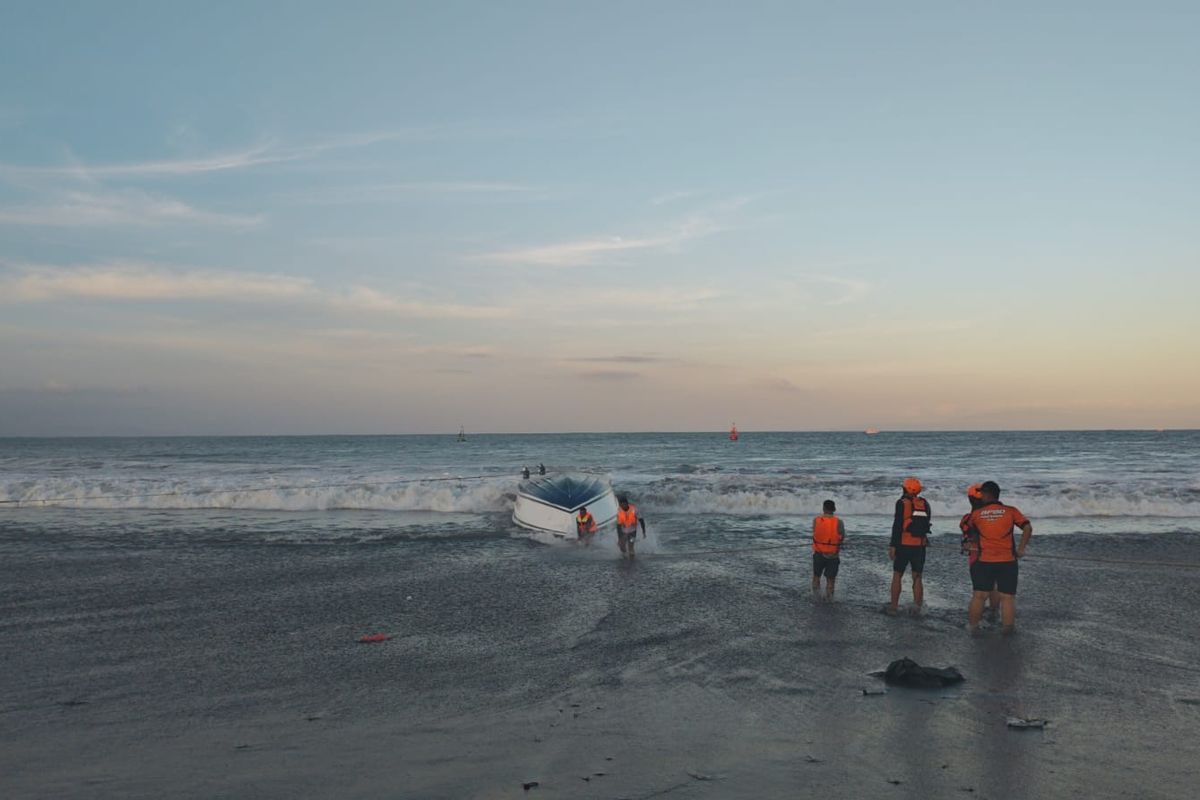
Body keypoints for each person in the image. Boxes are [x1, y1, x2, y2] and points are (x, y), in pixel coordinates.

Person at [962, 481, 1032, 634]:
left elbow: (969, 533)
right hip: (1007, 560)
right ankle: (1007, 631)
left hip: (984, 560)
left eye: (982, 493)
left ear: (987, 495)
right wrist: (1021, 548)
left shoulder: (976, 514)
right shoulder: (1010, 511)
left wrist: (967, 543)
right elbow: (1027, 526)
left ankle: (972, 628)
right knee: (1007, 597)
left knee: (979, 595)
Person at [887, 477, 932, 615]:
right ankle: (917, 608)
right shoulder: (925, 503)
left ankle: (894, 607)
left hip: (903, 544)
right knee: (917, 576)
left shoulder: (902, 503)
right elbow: (927, 522)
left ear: (905, 488)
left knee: (897, 575)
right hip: (920, 546)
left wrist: (893, 545)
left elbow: (898, 525)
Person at [960, 484, 1000, 619]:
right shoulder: (994, 516)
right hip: (995, 554)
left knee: (978, 591)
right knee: (994, 585)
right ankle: (994, 612)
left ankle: (974, 622)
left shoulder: (968, 518)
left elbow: (966, 534)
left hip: (976, 557)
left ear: (970, 499)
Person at [812, 499, 845, 601]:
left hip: (818, 553)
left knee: (816, 576)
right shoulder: (839, 522)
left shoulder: (816, 520)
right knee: (831, 580)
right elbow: (842, 537)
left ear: (823, 508)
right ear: (834, 509)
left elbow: (815, 533)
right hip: (833, 555)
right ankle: (829, 599)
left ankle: (815, 597)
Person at [615, 494, 646, 559]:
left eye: (624, 504)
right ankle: (625, 557)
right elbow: (618, 526)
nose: (622, 506)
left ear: (627, 503)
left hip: (633, 532)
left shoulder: (634, 510)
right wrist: (619, 538)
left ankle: (632, 561)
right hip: (624, 532)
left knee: (630, 547)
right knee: (621, 546)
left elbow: (641, 520)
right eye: (621, 505)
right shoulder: (619, 512)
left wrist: (644, 531)